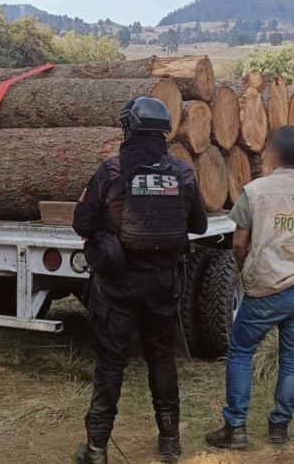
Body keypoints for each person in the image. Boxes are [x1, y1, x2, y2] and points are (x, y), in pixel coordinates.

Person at [73, 97, 208, 464]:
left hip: (117, 285)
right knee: (162, 360)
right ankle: (169, 443)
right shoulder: (182, 172)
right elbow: (199, 225)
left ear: (129, 129)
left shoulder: (111, 171)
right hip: (164, 285)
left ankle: (97, 449)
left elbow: (82, 224)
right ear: (163, 131)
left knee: (111, 364)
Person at [205, 125, 294, 449]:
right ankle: (279, 428)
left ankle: (235, 428)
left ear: (276, 153)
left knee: (240, 352)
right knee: (292, 359)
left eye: (268, 148)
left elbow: (239, 242)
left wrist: (243, 269)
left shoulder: (256, 191)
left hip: (265, 289)